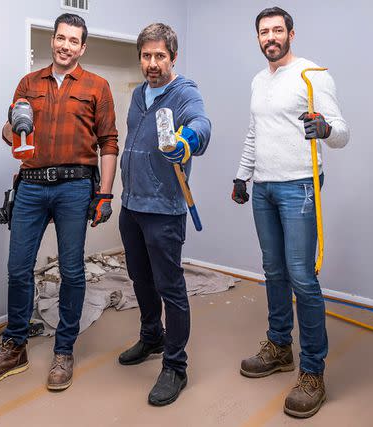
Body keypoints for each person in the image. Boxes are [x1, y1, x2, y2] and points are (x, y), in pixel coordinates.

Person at [0, 13, 119, 391]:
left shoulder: (97, 86)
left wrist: (104, 194)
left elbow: (109, 142)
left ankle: (64, 350)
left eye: (73, 40)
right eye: (60, 38)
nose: (65, 45)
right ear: (53, 40)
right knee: (19, 268)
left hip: (74, 187)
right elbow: (9, 136)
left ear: (82, 47)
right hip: (32, 186)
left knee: (71, 270)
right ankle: (14, 346)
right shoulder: (28, 83)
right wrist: (12, 124)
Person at [231, 7, 349, 418]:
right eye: (264, 32)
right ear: (259, 38)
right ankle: (280, 346)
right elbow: (253, 132)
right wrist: (242, 176)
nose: (270, 37)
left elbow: (342, 132)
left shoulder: (313, 75)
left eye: (277, 30)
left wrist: (326, 129)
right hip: (264, 187)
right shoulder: (258, 80)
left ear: (291, 34)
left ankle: (313, 371)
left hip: (300, 186)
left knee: (302, 276)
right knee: (274, 271)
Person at [117, 23, 211, 406]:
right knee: (139, 279)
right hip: (131, 205)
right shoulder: (139, 94)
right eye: (146, 55)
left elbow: (202, 125)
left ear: (173, 57)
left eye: (159, 56)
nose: (152, 63)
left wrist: (188, 142)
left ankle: (176, 365)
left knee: (170, 286)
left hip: (164, 210)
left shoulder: (184, 92)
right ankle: (152, 336)